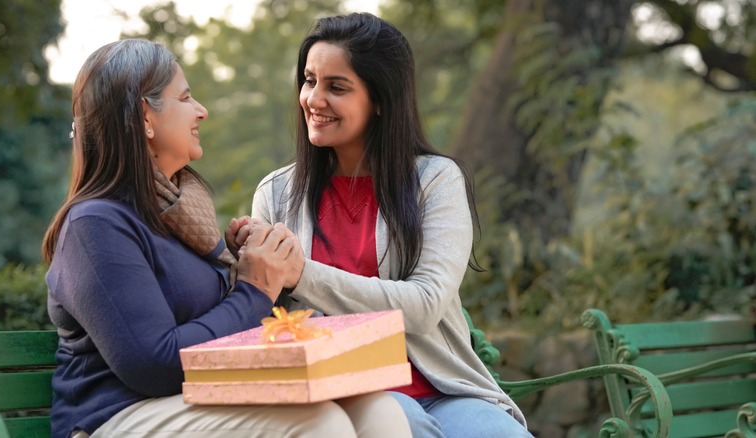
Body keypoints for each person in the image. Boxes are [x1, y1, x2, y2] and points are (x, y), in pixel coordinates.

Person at [41, 38, 411, 438]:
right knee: (321, 423)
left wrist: (258, 267)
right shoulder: (95, 225)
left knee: (377, 408)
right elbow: (153, 366)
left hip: (197, 398)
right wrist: (253, 289)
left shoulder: (181, 215)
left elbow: (229, 324)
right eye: (185, 98)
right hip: (118, 415)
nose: (201, 110)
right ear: (145, 115)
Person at [233, 12, 532, 438]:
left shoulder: (435, 181)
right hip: (344, 392)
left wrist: (300, 271)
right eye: (309, 80)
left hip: (444, 389)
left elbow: (426, 304)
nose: (314, 99)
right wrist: (241, 260)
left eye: (336, 87)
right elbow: (263, 311)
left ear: (379, 99)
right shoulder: (277, 193)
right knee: (401, 423)